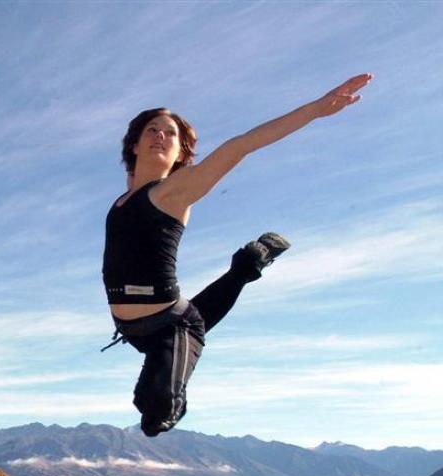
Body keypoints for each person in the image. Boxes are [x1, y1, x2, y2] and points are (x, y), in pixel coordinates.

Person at [102, 73, 373, 437]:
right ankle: (247, 264)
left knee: (155, 414)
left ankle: (246, 266)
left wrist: (315, 109)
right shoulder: (125, 197)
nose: (160, 136)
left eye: (170, 133)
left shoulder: (176, 190)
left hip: (173, 326)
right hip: (134, 330)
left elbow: (241, 145)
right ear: (134, 144)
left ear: (181, 153)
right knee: (191, 319)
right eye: (152, 129)